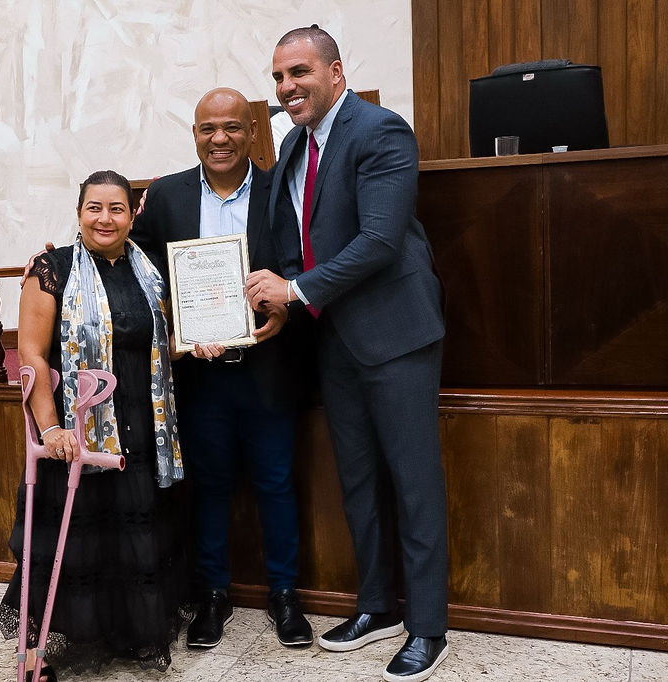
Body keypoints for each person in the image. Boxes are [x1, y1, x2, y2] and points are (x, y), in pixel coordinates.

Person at [246, 26, 450, 682]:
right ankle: (376, 607)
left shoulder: (380, 131)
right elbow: (288, 239)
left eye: (299, 72)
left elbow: (380, 241)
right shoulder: (292, 146)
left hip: (395, 334)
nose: (286, 88)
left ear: (336, 72)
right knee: (358, 483)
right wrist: (277, 303)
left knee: (413, 486)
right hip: (332, 339)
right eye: (278, 78)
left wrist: (296, 289)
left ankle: (427, 628)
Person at [132, 87, 313, 649]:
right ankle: (213, 595)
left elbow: (297, 264)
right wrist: (60, 260)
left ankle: (286, 595)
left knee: (277, 484)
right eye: (209, 128)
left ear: (253, 133)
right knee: (208, 487)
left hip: (267, 365)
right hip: (199, 375)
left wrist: (285, 306)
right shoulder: (165, 197)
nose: (220, 139)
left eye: (233, 127)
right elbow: (135, 267)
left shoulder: (278, 189)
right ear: (194, 134)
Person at [0, 170, 187, 680]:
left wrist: (198, 345)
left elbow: (160, 347)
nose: (105, 218)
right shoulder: (51, 269)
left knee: (129, 531)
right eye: (94, 208)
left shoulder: (148, 270)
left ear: (132, 214)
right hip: (76, 427)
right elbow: (31, 353)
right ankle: (54, 645)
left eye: (116, 208)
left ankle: (127, 632)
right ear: (79, 212)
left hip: (140, 425)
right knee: (75, 534)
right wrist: (51, 428)